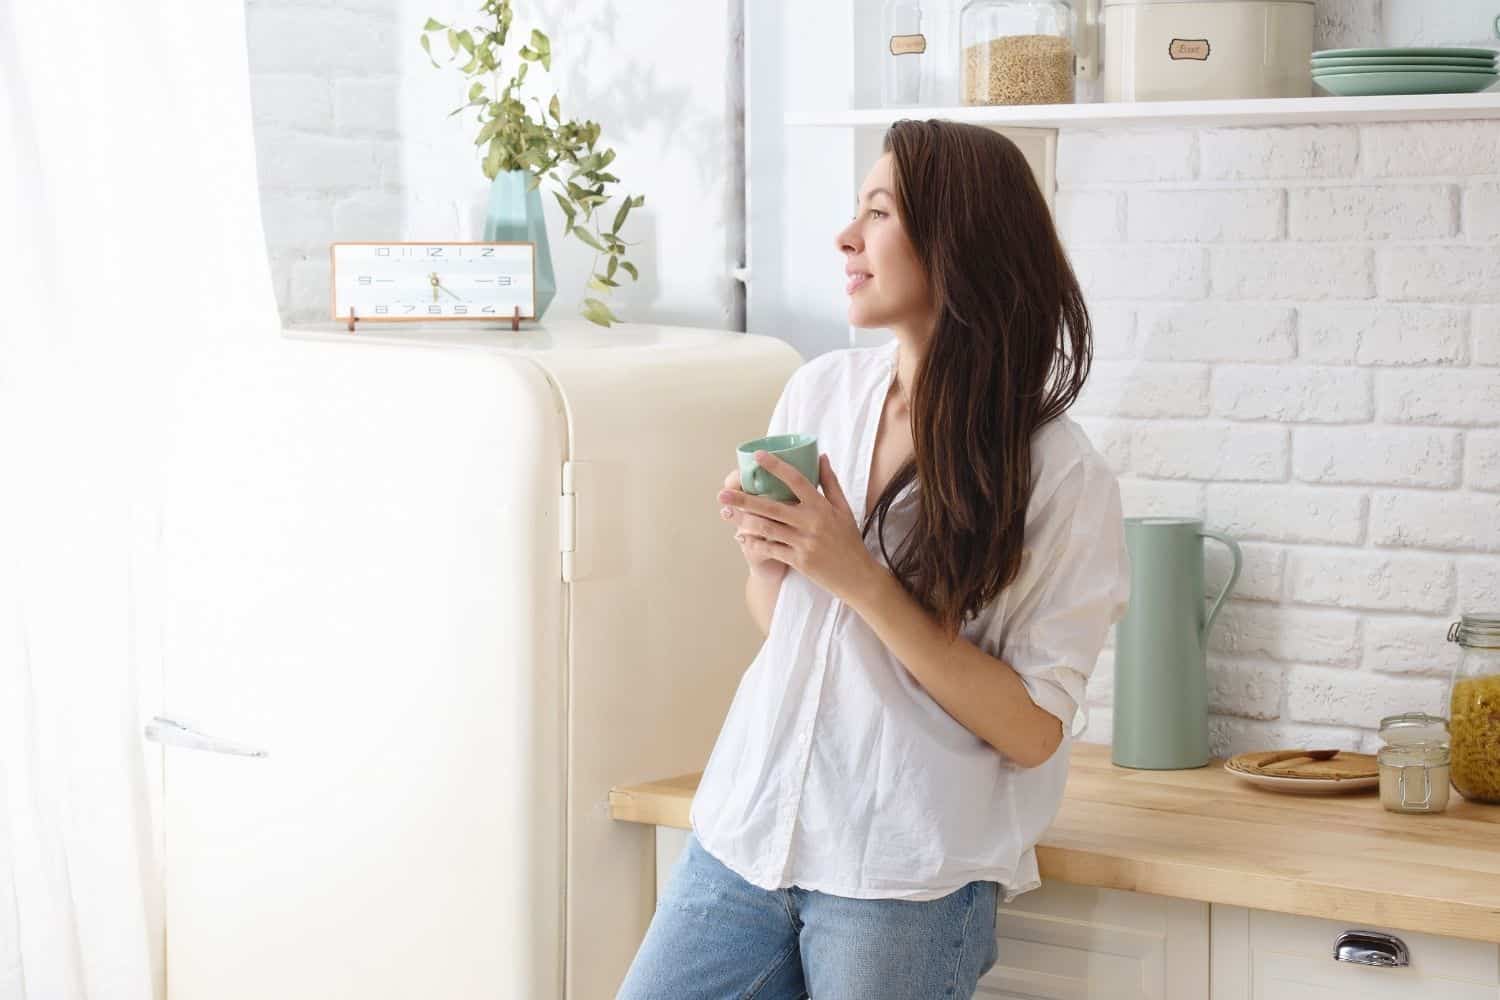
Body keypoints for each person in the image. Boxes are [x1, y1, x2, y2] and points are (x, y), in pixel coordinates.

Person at [615, 118, 1132, 1000]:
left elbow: (1032, 727)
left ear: (957, 245)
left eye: (879, 213)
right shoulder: (821, 390)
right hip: (746, 833)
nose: (846, 237)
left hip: (900, 876)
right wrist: (776, 562)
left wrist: (854, 572)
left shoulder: (1059, 472)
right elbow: (802, 637)